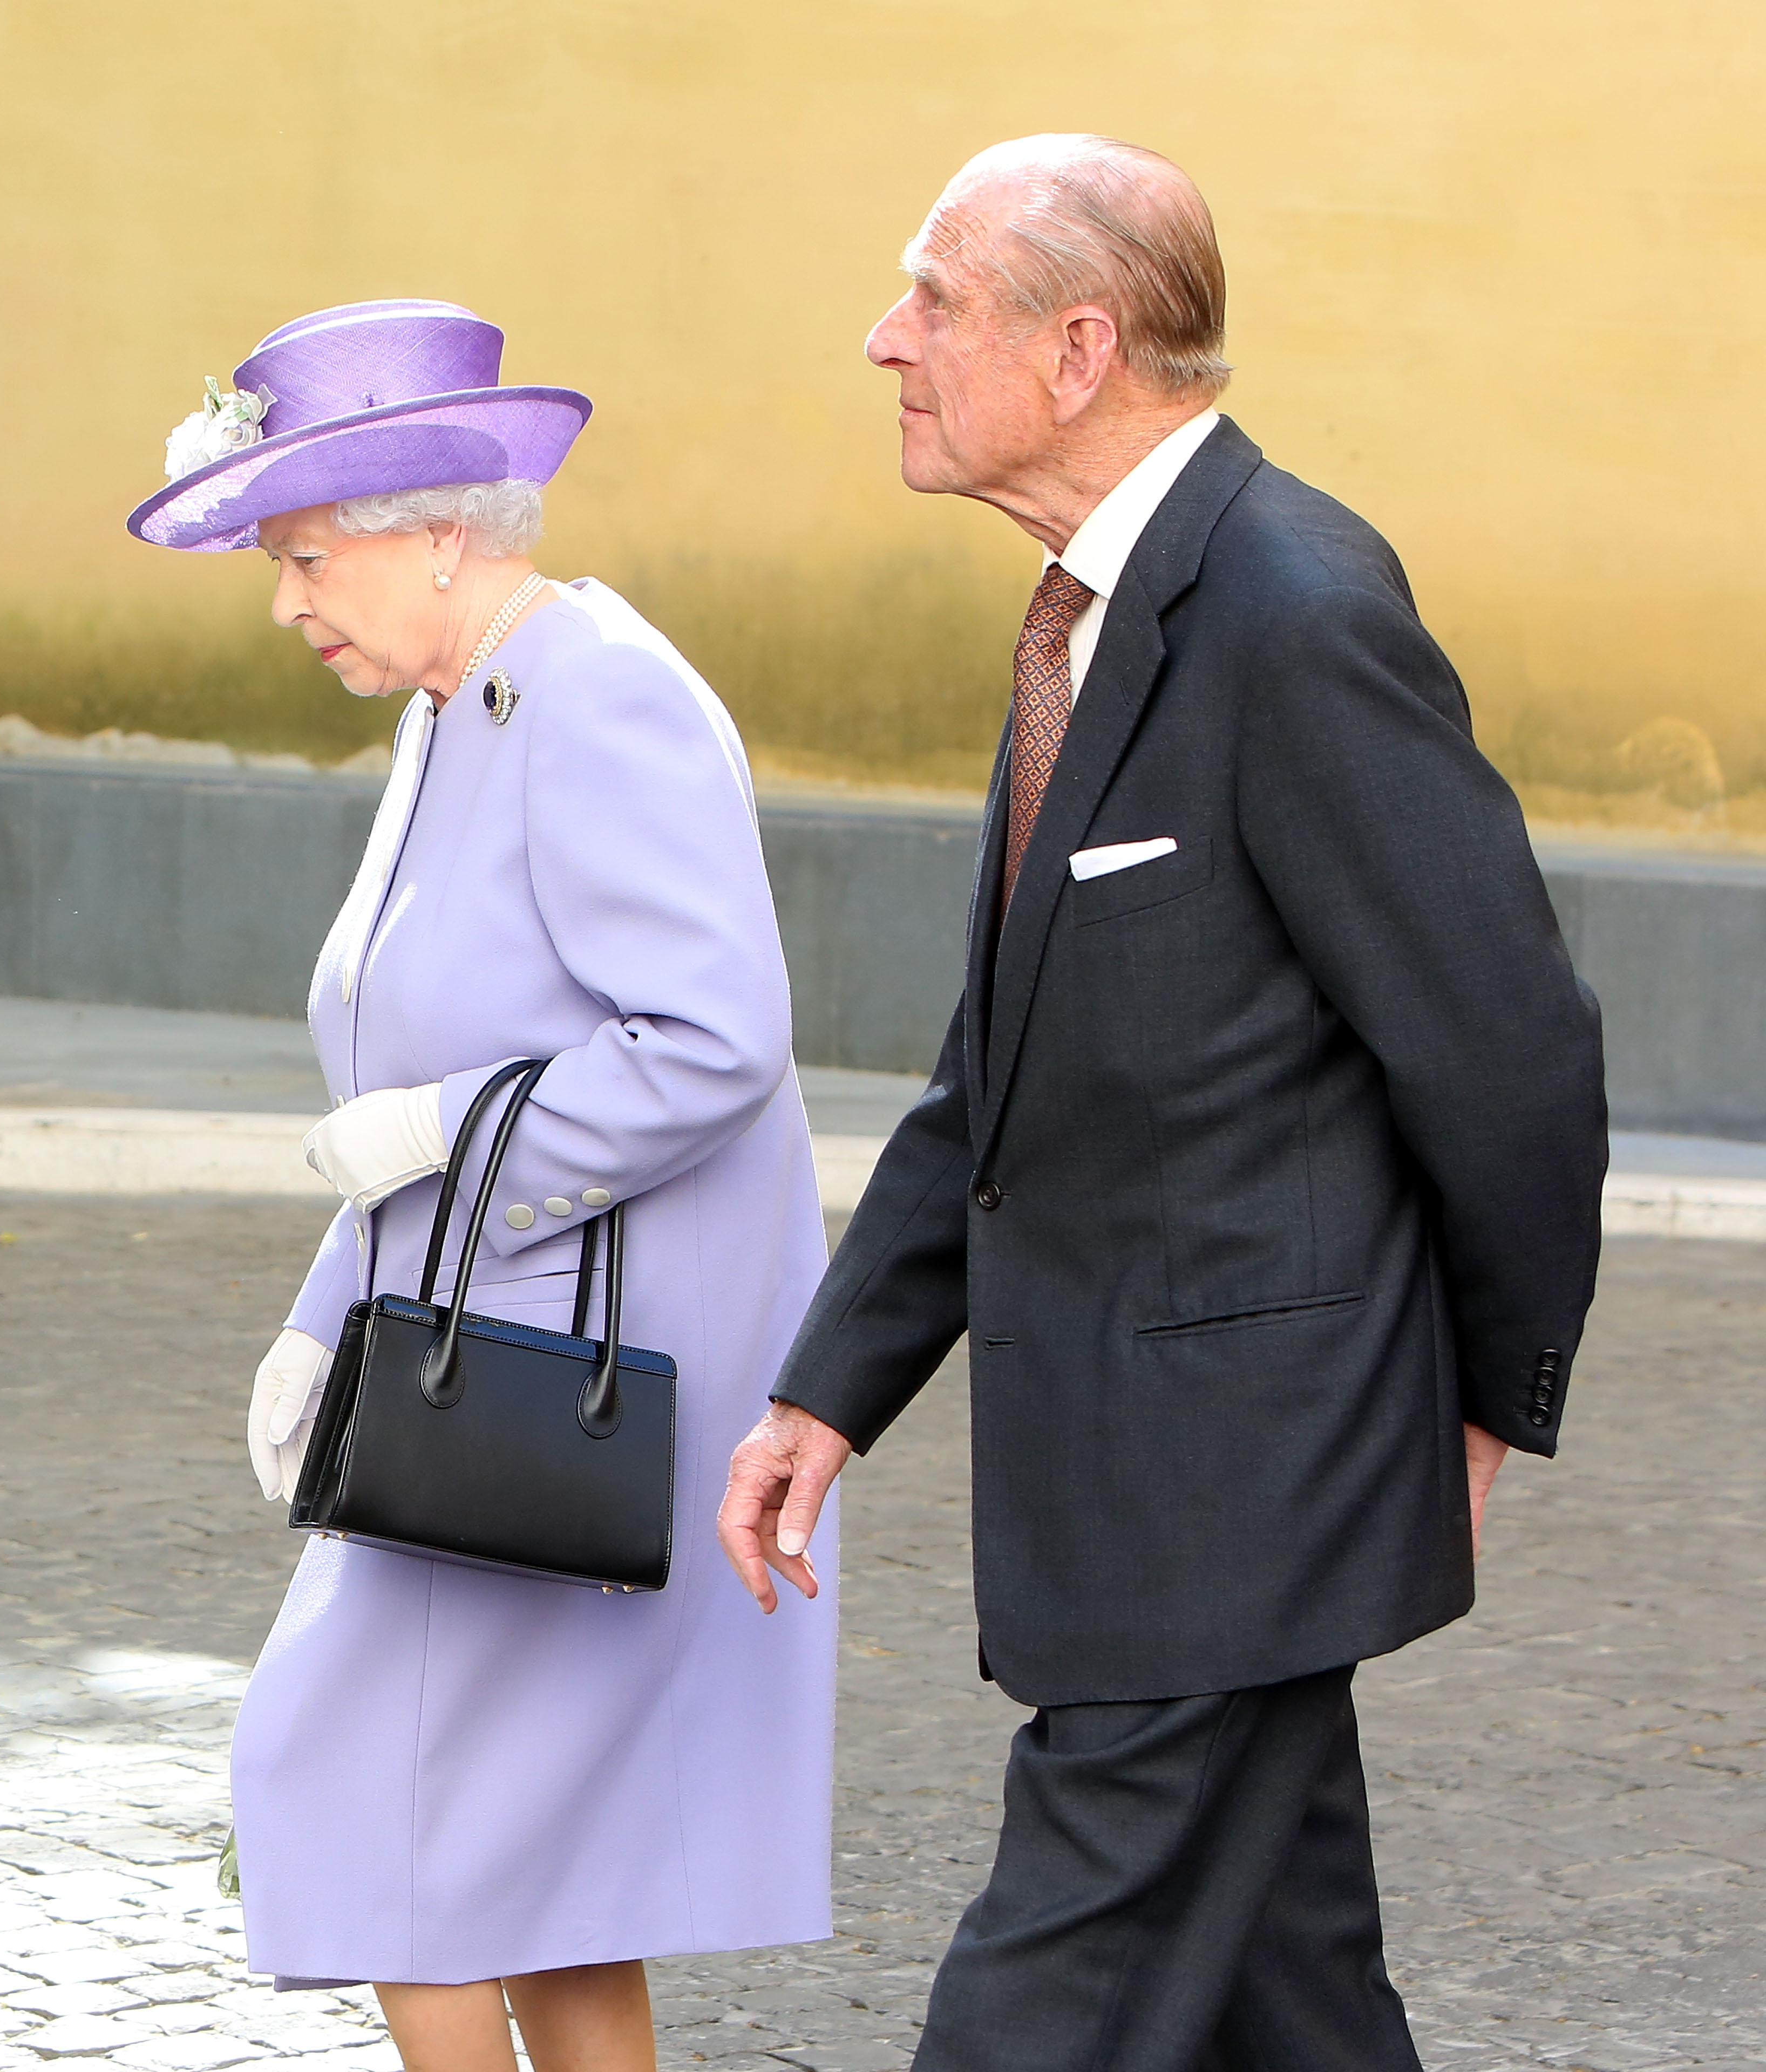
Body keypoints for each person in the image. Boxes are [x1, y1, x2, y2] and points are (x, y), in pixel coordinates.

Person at [717, 138, 1608, 2070]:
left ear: (1077, 348)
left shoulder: (1293, 610)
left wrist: (1481, 1391)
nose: (887, 342)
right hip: (1156, 1466)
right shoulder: (1086, 613)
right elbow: (1002, 1067)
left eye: (934, 299)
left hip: (1244, 1476)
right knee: (1291, 2001)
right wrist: (828, 1384)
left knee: (1048, 2000)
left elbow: (1510, 1048)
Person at [126, 299, 839, 2072]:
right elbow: (411, 1082)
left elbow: (713, 1042)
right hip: (473, 1361)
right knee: (544, 1878)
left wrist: (453, 1141)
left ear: (437, 535)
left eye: (305, 557)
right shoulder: (464, 702)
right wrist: (324, 1317)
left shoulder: (599, 698)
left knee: (351, 1793)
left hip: (556, 1389)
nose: (287, 601)